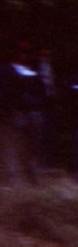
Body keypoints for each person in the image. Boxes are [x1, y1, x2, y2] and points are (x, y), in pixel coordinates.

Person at [0, 41, 44, 184]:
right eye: (21, 51)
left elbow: (41, 92)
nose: (24, 55)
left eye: (27, 52)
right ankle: (11, 178)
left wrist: (37, 105)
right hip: (14, 113)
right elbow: (4, 92)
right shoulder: (5, 70)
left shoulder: (33, 71)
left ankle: (32, 176)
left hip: (33, 113)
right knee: (11, 144)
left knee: (32, 145)